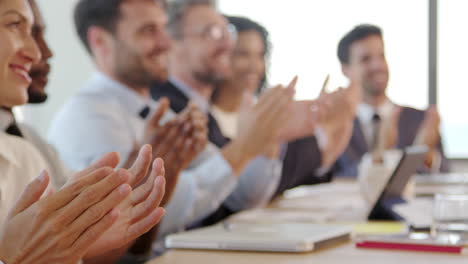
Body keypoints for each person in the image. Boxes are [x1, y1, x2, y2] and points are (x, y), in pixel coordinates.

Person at [0, 0, 166, 262]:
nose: (36, 53)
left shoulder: (25, 154)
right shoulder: (87, 115)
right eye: (13, 25)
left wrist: (79, 244)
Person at [336, 24, 450, 177]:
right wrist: (378, 157)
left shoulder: (420, 120)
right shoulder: (336, 125)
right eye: (366, 59)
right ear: (345, 70)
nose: (377, 65)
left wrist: (425, 157)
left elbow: (445, 176)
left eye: (381, 56)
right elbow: (334, 177)